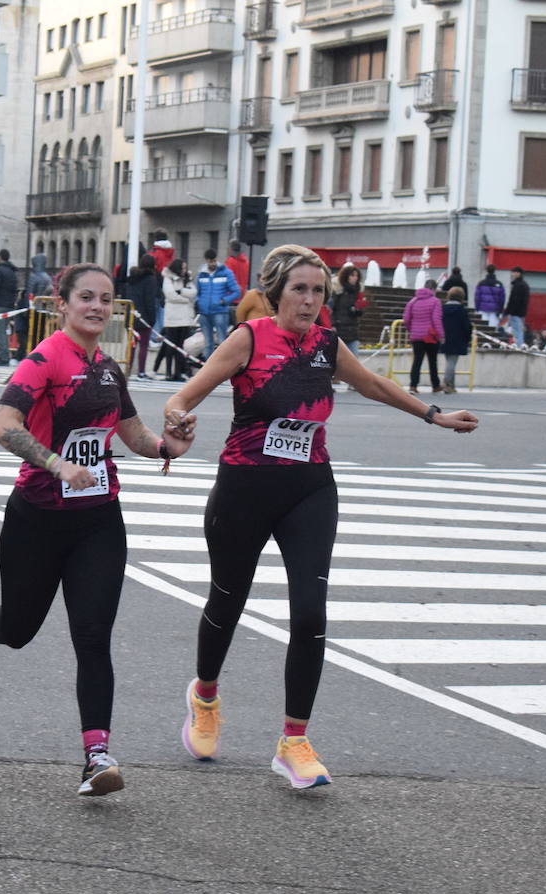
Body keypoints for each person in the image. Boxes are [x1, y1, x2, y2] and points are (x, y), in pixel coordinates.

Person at [162, 244, 478, 789]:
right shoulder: (249, 339)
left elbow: (373, 384)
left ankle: (294, 741)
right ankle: (205, 695)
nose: (310, 301)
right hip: (245, 487)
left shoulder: (327, 345)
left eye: (318, 291)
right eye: (300, 290)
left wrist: (434, 414)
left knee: (310, 613)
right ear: (276, 292)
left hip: (309, 488)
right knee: (227, 600)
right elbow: (184, 396)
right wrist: (175, 424)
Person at [0, 263, 194, 796]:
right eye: (86, 297)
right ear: (61, 304)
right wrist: (57, 465)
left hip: (98, 519)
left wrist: (168, 447)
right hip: (36, 518)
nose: (98, 308)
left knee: (93, 635)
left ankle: (96, 757)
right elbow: (2, 425)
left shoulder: (109, 369)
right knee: (18, 628)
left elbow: (132, 433)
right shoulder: (43, 361)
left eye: (106, 299)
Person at [195, 249, 241, 359]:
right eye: (210, 262)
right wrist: (199, 302)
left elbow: (237, 291)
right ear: (206, 261)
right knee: (207, 343)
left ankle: (222, 368)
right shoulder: (201, 274)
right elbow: (198, 292)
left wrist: (224, 300)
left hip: (220, 312)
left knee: (222, 342)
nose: (212, 264)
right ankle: (207, 369)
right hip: (204, 312)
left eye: (214, 261)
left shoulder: (226, 272)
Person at [157, 258, 196, 382]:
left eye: (185, 268)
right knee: (170, 346)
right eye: (182, 268)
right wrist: (185, 299)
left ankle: (178, 372)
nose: (184, 270)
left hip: (185, 318)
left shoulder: (187, 279)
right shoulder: (168, 278)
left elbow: (193, 292)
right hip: (172, 317)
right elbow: (170, 295)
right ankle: (168, 372)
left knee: (180, 346)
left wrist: (181, 291)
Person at [403, 279, 444, 394]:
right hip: (430, 336)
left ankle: (413, 385)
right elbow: (436, 320)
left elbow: (406, 320)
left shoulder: (413, 301)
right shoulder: (435, 301)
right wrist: (441, 335)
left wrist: (412, 330)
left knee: (417, 360)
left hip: (416, 336)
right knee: (432, 361)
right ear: (434, 289)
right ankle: (435, 385)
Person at [124, 254, 158, 380]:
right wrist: (152, 319)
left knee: (132, 345)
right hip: (144, 317)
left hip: (131, 315)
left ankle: (127, 369)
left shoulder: (131, 278)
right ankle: (141, 371)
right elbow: (150, 300)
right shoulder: (150, 279)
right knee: (143, 345)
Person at [440, 285, 471, 395]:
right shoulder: (462, 310)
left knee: (449, 361)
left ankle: (451, 385)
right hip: (458, 339)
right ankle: (447, 383)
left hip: (445, 338)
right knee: (452, 362)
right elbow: (467, 327)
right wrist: (468, 339)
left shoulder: (443, 309)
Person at [330, 263, 365, 352]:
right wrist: (333, 324)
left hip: (353, 331)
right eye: (352, 275)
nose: (355, 278)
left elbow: (361, 312)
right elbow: (330, 309)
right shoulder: (338, 290)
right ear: (346, 276)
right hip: (338, 330)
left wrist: (358, 310)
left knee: (353, 359)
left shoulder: (357, 292)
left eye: (356, 276)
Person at [504, 265, 530, 346]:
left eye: (514, 272)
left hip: (516, 312)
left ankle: (519, 345)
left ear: (518, 274)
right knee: (518, 329)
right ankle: (519, 344)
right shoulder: (524, 284)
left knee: (517, 330)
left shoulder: (518, 285)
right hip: (521, 312)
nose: (512, 274)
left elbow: (514, 300)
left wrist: (509, 311)